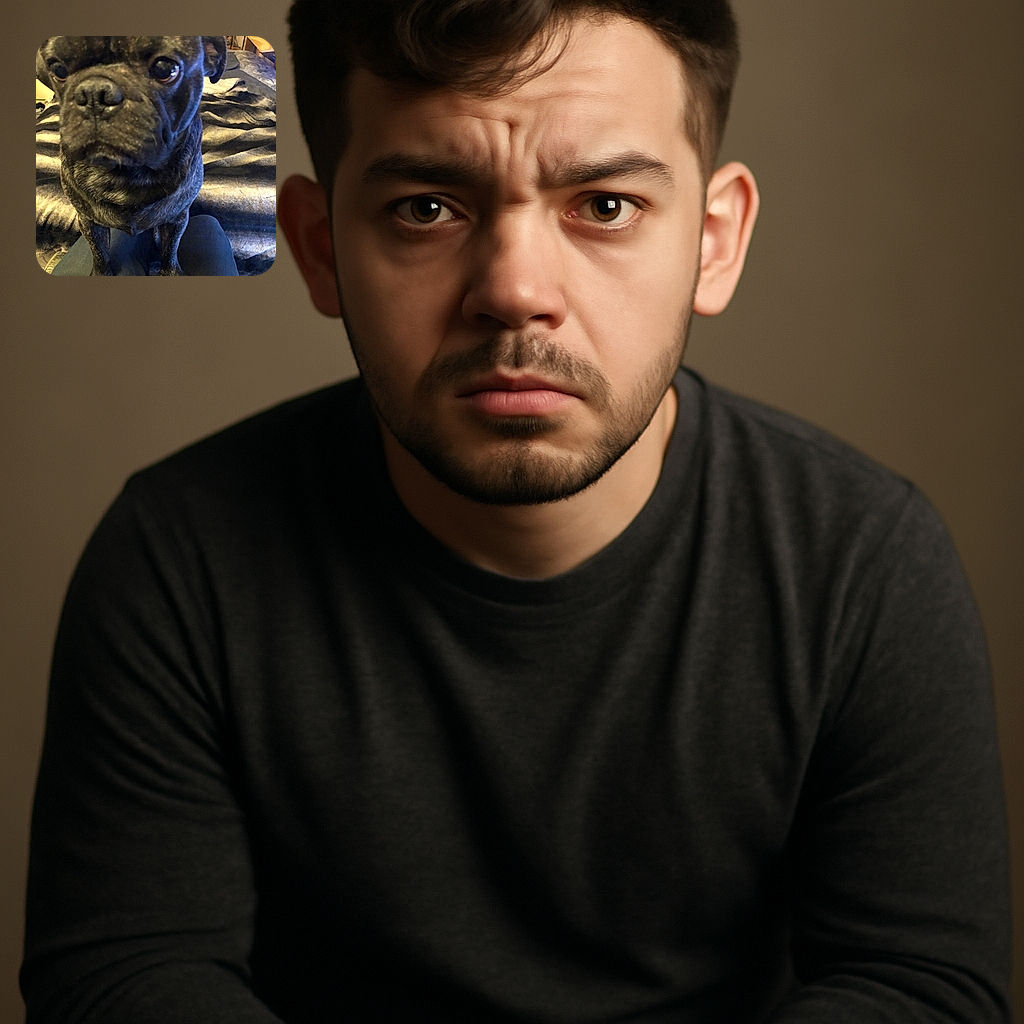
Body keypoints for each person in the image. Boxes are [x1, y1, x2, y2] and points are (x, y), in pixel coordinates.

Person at [21, 1, 1011, 1021]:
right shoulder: (179, 557)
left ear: (713, 243)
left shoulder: (863, 562)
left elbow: (921, 986)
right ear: (319, 249)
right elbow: (120, 978)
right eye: (425, 208)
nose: (514, 290)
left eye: (606, 205)